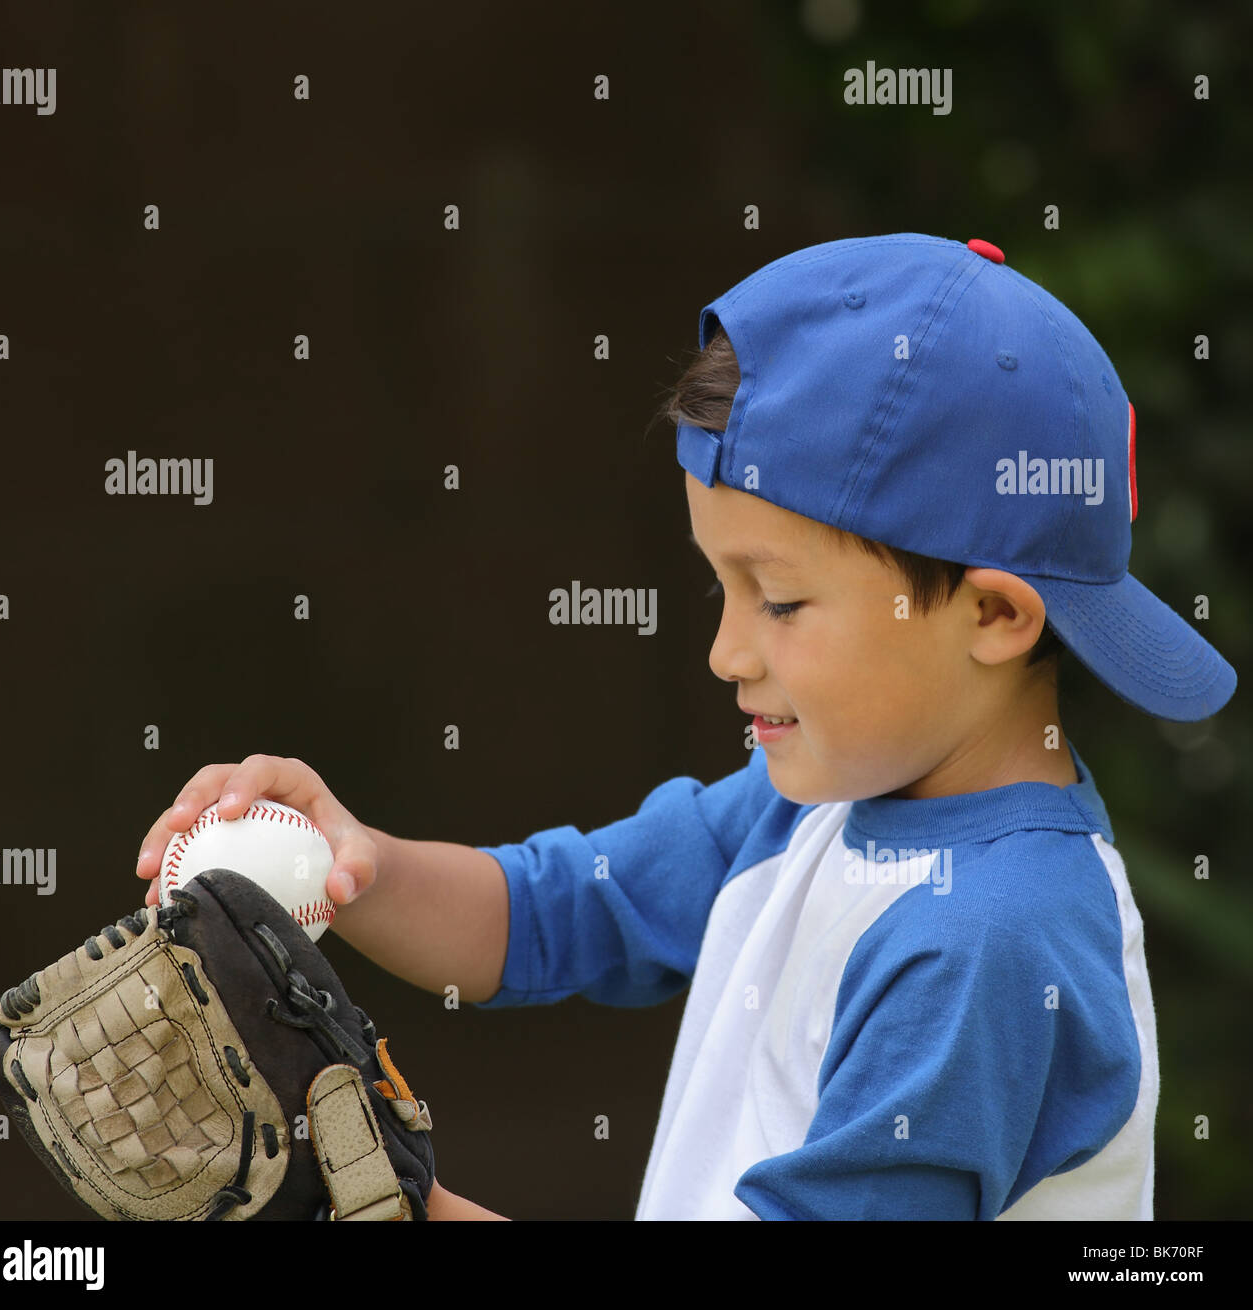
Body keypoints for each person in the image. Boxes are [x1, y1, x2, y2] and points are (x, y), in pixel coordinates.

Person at [135, 233, 1236, 1220]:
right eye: (723, 587)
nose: (726, 652)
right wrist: (349, 863)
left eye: (782, 599)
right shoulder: (816, 796)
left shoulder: (988, 941)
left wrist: (395, 1204)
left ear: (992, 613)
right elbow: (552, 911)